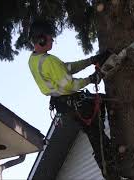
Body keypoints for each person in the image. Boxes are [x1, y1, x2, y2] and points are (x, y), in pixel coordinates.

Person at [28, 20, 118, 179]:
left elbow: (67, 68)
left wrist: (91, 60)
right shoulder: (47, 61)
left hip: (65, 106)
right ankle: (111, 169)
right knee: (97, 132)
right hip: (73, 102)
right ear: (41, 39)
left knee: (97, 131)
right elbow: (70, 85)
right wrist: (91, 79)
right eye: (49, 38)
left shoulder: (35, 60)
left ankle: (111, 158)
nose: (52, 40)